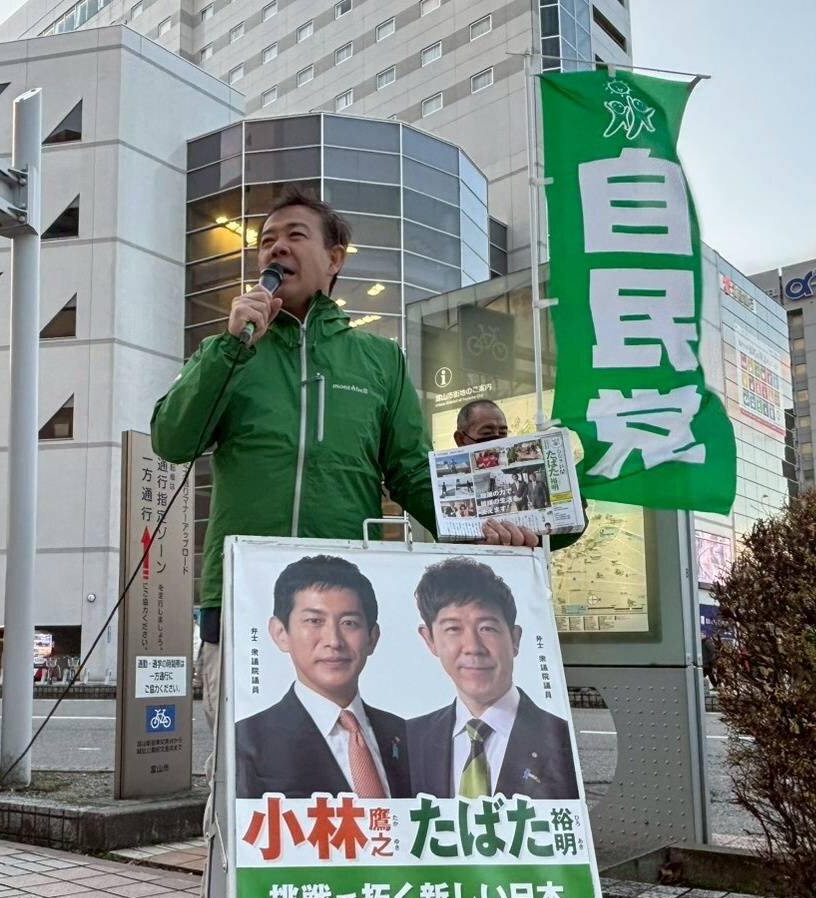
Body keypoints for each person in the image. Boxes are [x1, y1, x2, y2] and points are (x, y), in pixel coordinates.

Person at [151, 186, 537, 747]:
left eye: (295, 235)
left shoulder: (378, 360)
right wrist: (229, 347)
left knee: (343, 764)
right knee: (242, 775)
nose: (276, 248)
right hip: (241, 600)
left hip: (344, 608)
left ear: (334, 259)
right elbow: (172, 440)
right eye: (267, 240)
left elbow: (410, 473)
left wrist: (484, 529)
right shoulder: (231, 351)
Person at [236, 555, 409, 799]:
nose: (334, 641)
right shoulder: (247, 742)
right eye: (314, 621)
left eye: (349, 623)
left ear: (372, 637)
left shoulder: (409, 736)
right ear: (280, 633)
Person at [406, 556, 578, 799]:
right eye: (453, 629)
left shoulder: (564, 741)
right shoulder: (408, 741)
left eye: (487, 628)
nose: (473, 647)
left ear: (515, 639)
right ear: (430, 640)